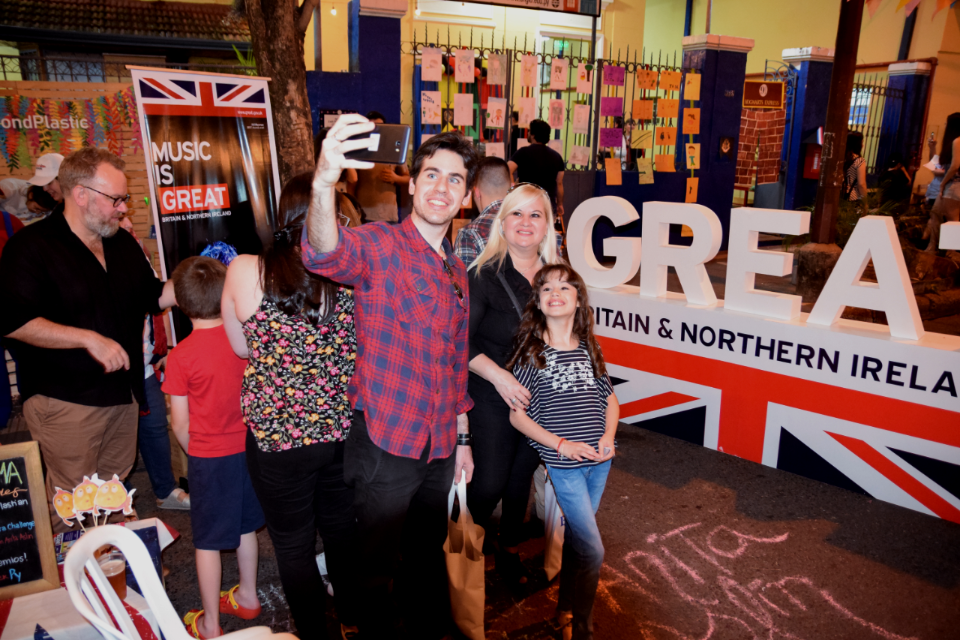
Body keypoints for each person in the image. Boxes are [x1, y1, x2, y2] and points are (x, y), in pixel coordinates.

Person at [302, 116, 478, 640]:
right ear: (413, 181)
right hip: (387, 441)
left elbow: (454, 358)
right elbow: (324, 253)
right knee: (373, 566)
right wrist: (324, 181)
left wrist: (463, 437)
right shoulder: (380, 245)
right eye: (431, 175)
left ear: (465, 196)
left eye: (454, 179)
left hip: (440, 444)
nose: (441, 187)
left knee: (423, 557)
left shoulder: (456, 267)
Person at [0, 147, 176, 532]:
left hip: (123, 395)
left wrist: (194, 281)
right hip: (66, 401)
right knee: (74, 505)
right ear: (80, 194)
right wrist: (87, 339)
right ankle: (77, 583)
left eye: (124, 199)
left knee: (113, 494)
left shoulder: (120, 243)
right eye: (116, 199)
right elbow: (12, 321)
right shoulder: (31, 248)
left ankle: (116, 575)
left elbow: (151, 296)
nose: (123, 208)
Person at [221, 172, 361, 640]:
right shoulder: (351, 274)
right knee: (341, 530)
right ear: (334, 215)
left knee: (293, 545)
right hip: (341, 430)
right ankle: (353, 619)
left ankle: (315, 635)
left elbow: (241, 348)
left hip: (278, 439)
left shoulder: (246, 269)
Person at [507, 264, 619, 640]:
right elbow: (517, 416)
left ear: (578, 300)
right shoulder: (532, 350)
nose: (556, 293)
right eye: (546, 289)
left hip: (599, 462)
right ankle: (583, 627)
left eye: (565, 287)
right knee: (594, 549)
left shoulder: (590, 346)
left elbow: (611, 400)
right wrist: (560, 445)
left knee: (578, 541)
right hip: (564, 465)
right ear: (538, 303)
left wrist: (609, 435)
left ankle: (565, 610)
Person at [163, 256, 263, 639]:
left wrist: (196, 453)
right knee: (245, 528)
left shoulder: (181, 356)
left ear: (181, 303)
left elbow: (180, 423)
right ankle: (249, 596)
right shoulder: (245, 342)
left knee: (206, 541)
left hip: (209, 458)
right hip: (250, 451)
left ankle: (209, 622)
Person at [464, 182, 559, 585]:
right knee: (488, 485)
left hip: (541, 395)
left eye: (535, 214)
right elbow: (457, 344)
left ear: (547, 225)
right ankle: (461, 552)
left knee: (521, 478)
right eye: (516, 214)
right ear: (501, 224)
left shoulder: (559, 278)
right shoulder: (482, 275)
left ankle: (508, 550)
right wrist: (499, 376)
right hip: (490, 392)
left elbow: (577, 336)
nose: (525, 222)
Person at [117, 215, 189, 510]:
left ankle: (165, 490)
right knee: (117, 438)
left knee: (156, 427)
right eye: (121, 217)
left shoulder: (135, 252)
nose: (129, 226)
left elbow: (152, 299)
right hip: (114, 370)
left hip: (144, 362)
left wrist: (156, 351)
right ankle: (116, 498)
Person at [353, 111, 410, 223]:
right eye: (372, 127)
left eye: (380, 127)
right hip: (363, 214)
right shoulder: (359, 150)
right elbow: (351, 182)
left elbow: (408, 178)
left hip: (388, 216)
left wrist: (395, 178)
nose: (376, 130)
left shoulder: (394, 150)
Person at [453, 157, 512, 265]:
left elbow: (463, 280)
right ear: (512, 187)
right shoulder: (533, 226)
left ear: (476, 193)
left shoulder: (469, 235)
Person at [509, 119, 566, 219]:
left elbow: (507, 170)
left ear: (533, 135)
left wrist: (513, 189)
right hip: (547, 205)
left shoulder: (523, 152)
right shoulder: (557, 157)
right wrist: (560, 204)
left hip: (525, 203)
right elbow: (559, 183)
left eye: (529, 131)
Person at [928, 112, 960, 253]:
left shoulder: (957, 141)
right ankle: (934, 247)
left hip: (953, 185)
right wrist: (932, 149)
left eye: (947, 123)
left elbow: (953, 167)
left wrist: (942, 184)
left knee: (952, 220)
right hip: (950, 185)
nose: (945, 126)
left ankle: (951, 252)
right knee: (936, 213)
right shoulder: (952, 144)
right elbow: (937, 167)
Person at [842, 131, 868, 203]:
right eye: (861, 142)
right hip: (853, 197)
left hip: (840, 196)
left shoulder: (841, 158)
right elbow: (861, 184)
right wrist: (865, 202)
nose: (862, 145)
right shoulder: (859, 161)